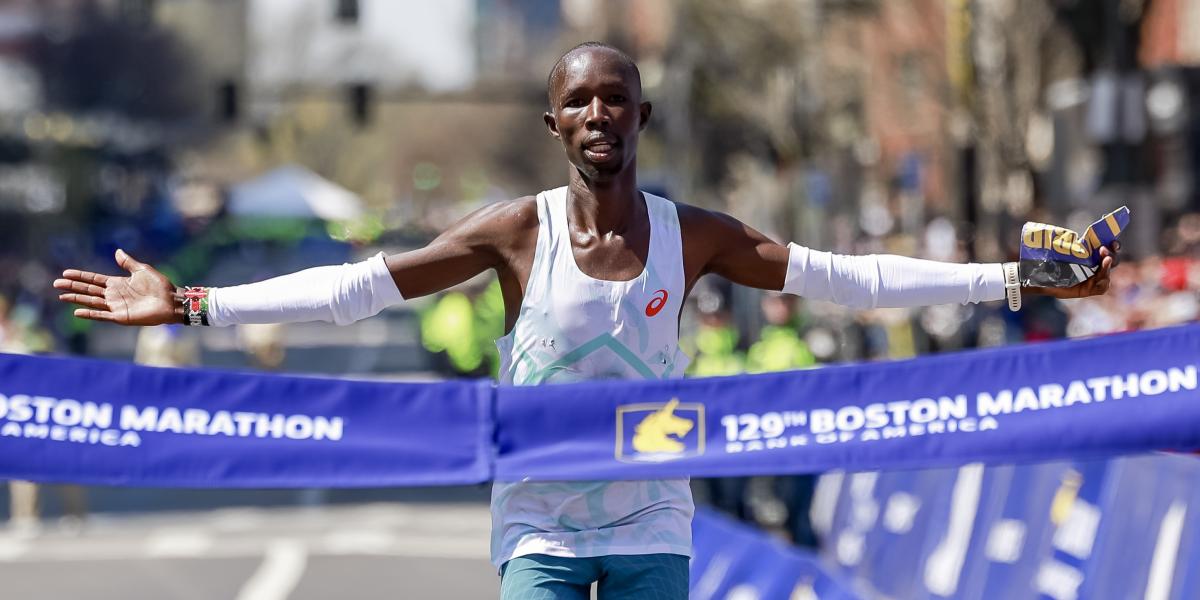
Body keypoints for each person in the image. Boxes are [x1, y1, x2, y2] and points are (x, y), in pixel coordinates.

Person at [54, 42, 1117, 599]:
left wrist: (1011, 282)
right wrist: (193, 302)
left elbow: (851, 279)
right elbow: (359, 288)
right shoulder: (514, 234)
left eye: (618, 99)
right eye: (581, 101)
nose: (600, 114)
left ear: (641, 118)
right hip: (540, 531)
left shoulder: (692, 234)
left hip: (654, 519)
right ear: (554, 121)